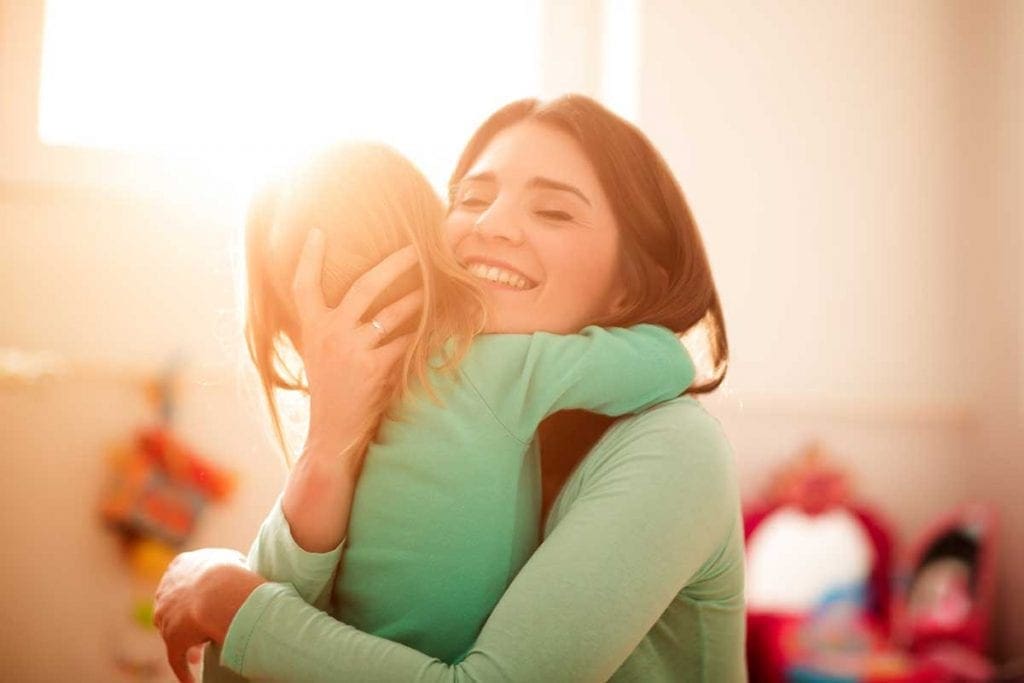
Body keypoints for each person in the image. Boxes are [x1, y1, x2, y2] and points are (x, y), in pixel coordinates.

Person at [154, 94, 745, 682]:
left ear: (630, 287)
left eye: (554, 212)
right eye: (472, 199)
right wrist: (329, 443)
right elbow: (252, 666)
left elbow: (252, 623)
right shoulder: (422, 404)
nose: (490, 226)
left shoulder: (674, 448)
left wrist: (230, 603)